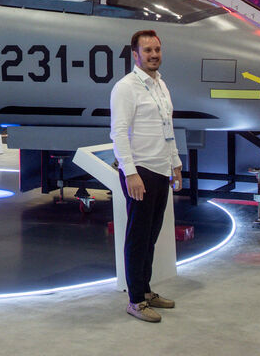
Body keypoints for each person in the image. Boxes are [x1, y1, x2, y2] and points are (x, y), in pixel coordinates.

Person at [110, 29, 181, 323]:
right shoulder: (126, 88)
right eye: (147, 50)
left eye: (157, 50)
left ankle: (146, 290)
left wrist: (175, 163)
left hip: (161, 169)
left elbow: (167, 127)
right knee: (138, 238)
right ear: (135, 55)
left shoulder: (160, 85)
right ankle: (135, 301)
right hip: (141, 172)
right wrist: (130, 173)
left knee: (151, 235)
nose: (153, 55)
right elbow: (118, 133)